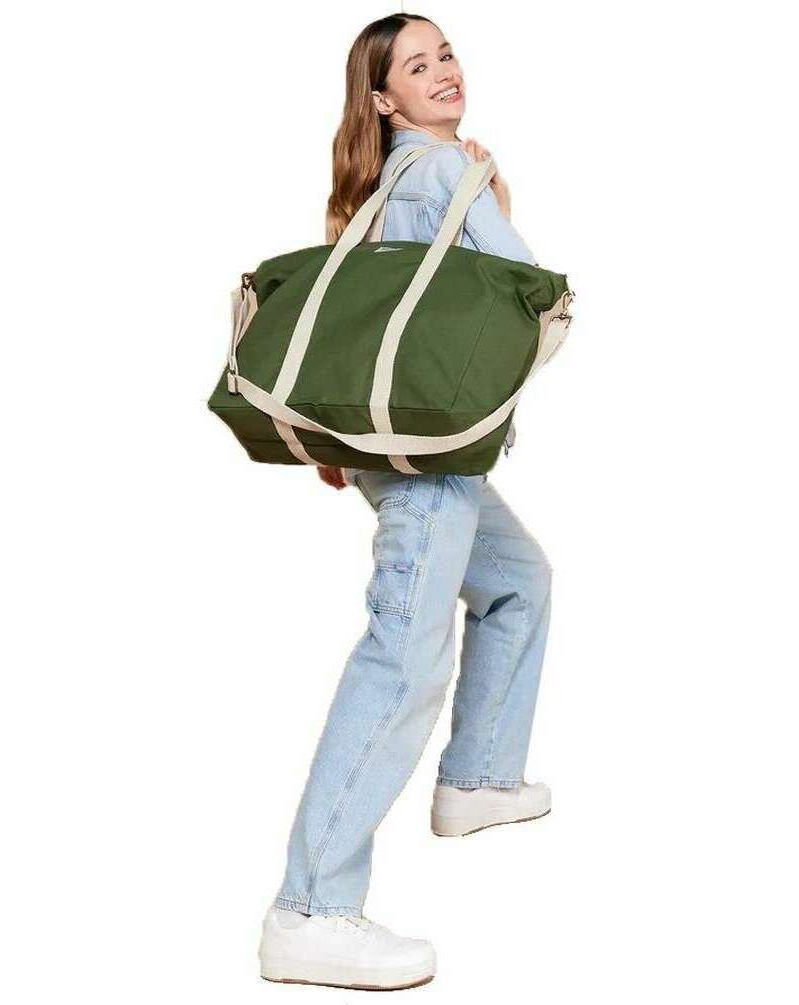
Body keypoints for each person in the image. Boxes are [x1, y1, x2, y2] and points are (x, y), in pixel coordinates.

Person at [258, 13, 554, 992]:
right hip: (431, 459)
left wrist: (342, 444)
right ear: (383, 100)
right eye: (417, 66)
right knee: (401, 659)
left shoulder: (385, 181)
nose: (443, 72)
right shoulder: (439, 172)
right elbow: (529, 289)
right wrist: (492, 195)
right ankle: (310, 909)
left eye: (446, 55)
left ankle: (478, 776)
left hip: (402, 450)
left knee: (516, 579)